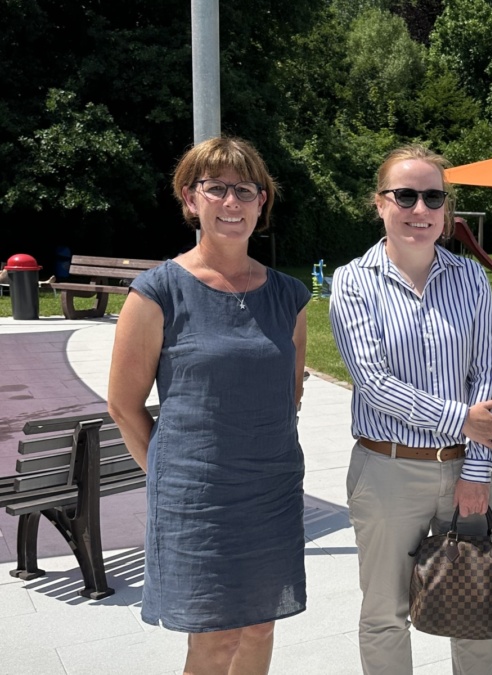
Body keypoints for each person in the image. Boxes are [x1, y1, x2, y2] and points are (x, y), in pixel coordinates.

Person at [108, 137, 309, 674]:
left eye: (245, 190)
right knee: (216, 637)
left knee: (261, 624)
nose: (231, 202)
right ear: (189, 198)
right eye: (216, 188)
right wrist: (170, 479)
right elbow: (124, 406)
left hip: (270, 489)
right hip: (197, 498)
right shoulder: (157, 292)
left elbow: (289, 393)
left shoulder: (289, 296)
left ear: (262, 203)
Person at [329, 145, 492, 675]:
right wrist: (461, 418)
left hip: (467, 468)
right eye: (405, 195)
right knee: (385, 613)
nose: (420, 208)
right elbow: (375, 384)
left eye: (433, 196)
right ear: (379, 203)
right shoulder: (352, 282)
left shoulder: (470, 278)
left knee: (474, 609)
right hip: (386, 470)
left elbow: (487, 380)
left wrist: (475, 471)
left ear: (445, 209)